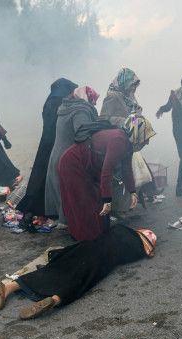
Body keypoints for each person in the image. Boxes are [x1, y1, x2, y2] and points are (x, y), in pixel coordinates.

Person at [0, 225, 156, 320]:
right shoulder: (137, 249)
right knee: (82, 279)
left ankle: (9, 287)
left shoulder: (119, 228)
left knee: (57, 268)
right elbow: (142, 253)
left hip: (86, 247)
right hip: (102, 259)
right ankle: (55, 299)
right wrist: (148, 250)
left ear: (139, 230)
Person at [57, 116, 155, 241]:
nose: (147, 142)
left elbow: (127, 169)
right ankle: (84, 238)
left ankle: (93, 236)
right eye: (146, 138)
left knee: (95, 203)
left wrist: (132, 192)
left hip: (86, 167)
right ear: (137, 134)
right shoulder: (119, 140)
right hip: (73, 164)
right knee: (84, 203)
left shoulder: (127, 143)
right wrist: (107, 200)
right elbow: (106, 171)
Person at [16, 78, 78, 223]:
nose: (72, 94)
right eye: (70, 91)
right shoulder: (57, 102)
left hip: (47, 142)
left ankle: (36, 210)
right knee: (47, 178)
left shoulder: (50, 100)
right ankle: (38, 210)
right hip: (54, 142)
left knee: (41, 176)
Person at [44, 86, 99, 227]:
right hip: (69, 157)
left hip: (58, 154)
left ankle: (65, 221)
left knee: (63, 191)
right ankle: (71, 223)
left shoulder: (67, 107)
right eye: (93, 100)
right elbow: (83, 134)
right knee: (71, 192)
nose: (94, 104)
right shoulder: (81, 111)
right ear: (86, 98)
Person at [100, 68, 145, 215]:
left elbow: (134, 115)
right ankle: (114, 208)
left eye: (135, 86)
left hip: (127, 139)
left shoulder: (129, 97)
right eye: (132, 85)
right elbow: (104, 118)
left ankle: (122, 207)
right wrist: (124, 121)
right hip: (115, 140)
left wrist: (137, 118)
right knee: (115, 174)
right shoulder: (112, 96)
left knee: (125, 172)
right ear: (124, 82)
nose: (133, 88)